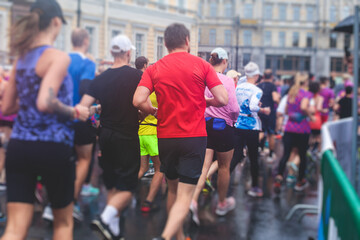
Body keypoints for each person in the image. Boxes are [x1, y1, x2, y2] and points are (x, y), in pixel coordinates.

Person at [1, 0, 89, 239]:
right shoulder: (57, 57)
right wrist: (75, 112)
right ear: (56, 22)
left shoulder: (21, 58)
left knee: (15, 226)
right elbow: (45, 102)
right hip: (54, 147)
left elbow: (8, 105)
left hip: (20, 146)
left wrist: (29, 98)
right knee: (62, 223)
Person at [133, 23, 228, 240]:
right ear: (187, 41)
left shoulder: (154, 68)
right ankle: (166, 236)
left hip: (165, 137)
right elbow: (223, 99)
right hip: (193, 138)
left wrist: (152, 111)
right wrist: (206, 101)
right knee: (185, 196)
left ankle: (179, 235)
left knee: (173, 190)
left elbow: (138, 100)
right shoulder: (202, 65)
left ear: (165, 44)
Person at [80, 34, 142, 239]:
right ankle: (106, 218)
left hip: (105, 135)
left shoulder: (101, 78)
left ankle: (112, 229)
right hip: (126, 136)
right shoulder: (136, 76)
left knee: (113, 184)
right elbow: (142, 104)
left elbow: (82, 106)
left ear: (111, 53)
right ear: (128, 53)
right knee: (129, 186)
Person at [42, 28, 97, 223]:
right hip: (78, 118)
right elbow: (85, 88)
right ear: (85, 41)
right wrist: (83, 109)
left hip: (59, 117)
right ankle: (69, 202)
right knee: (84, 159)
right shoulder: (87, 63)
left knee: (62, 161)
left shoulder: (61, 59)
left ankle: (51, 204)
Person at [190, 48, 239, 225]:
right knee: (224, 167)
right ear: (225, 62)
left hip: (204, 124)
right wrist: (233, 120)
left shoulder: (202, 79)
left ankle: (193, 201)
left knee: (204, 166)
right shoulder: (226, 81)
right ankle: (221, 203)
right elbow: (233, 108)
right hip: (223, 126)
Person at [231, 62, 270, 197]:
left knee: (237, 154)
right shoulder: (256, 90)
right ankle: (254, 187)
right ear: (257, 75)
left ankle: (222, 178)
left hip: (238, 124)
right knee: (253, 156)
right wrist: (264, 110)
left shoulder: (238, 88)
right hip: (251, 126)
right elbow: (253, 106)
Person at [274, 73, 313, 194]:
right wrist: (310, 116)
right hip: (302, 129)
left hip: (289, 128)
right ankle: (300, 181)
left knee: (286, 154)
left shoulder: (291, 94)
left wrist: (292, 114)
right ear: (305, 82)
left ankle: (279, 176)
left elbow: (285, 110)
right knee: (302, 155)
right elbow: (304, 106)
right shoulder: (306, 94)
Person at [135, 56, 164, 212]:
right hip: (153, 133)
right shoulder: (159, 90)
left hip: (141, 133)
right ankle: (148, 202)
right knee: (160, 169)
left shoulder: (144, 90)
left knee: (142, 169)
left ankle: (126, 191)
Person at [257, 69, 280, 163]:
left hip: (260, 111)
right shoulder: (272, 86)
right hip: (270, 112)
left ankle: (257, 148)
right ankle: (271, 154)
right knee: (271, 134)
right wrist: (278, 101)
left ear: (263, 77)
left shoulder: (258, 86)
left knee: (260, 131)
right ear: (271, 77)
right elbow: (275, 98)